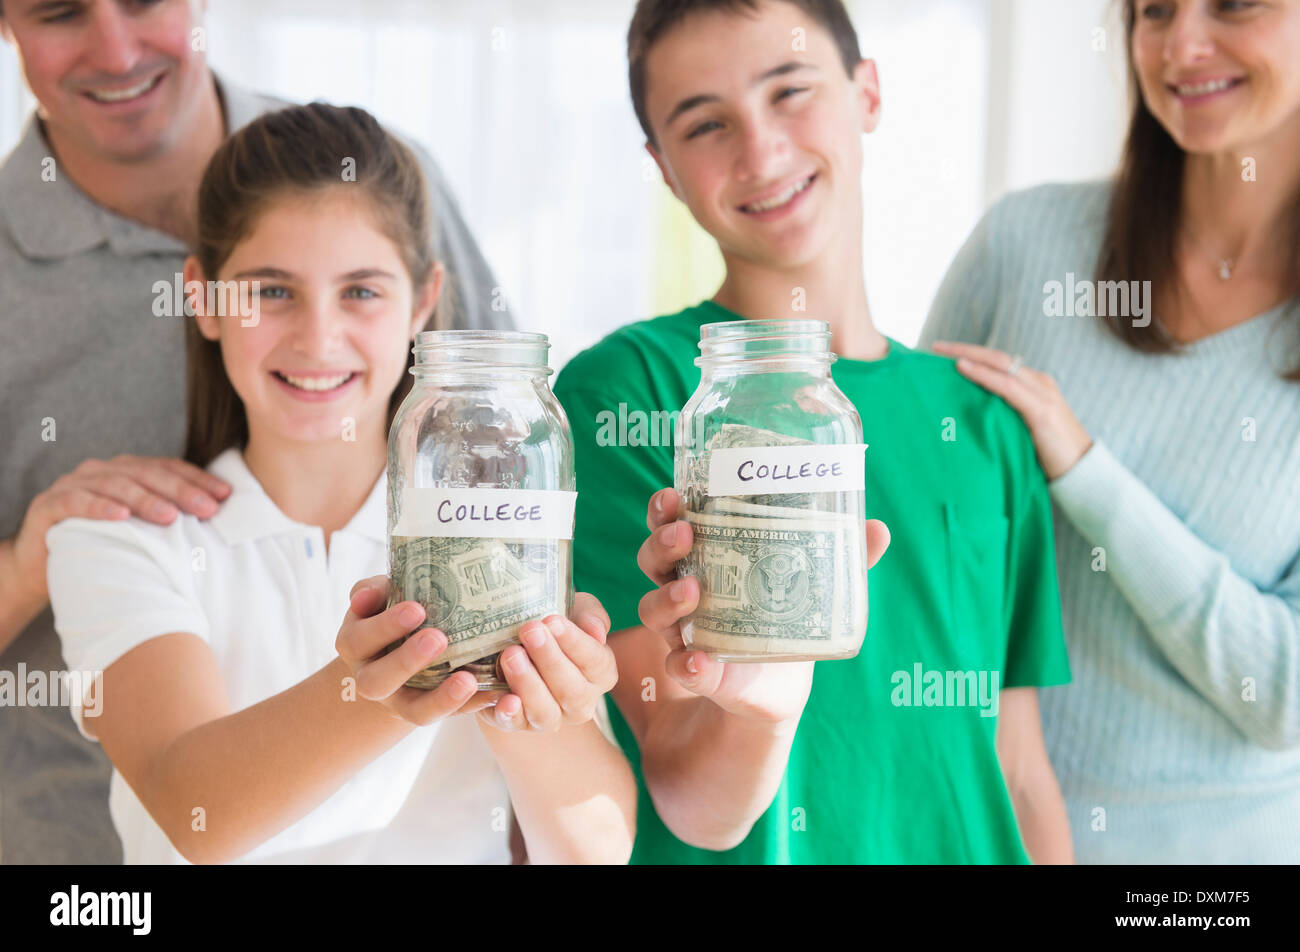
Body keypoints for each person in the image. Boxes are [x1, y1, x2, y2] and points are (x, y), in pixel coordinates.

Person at [45, 102, 635, 865]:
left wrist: (539, 705)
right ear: (203, 299)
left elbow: (596, 851)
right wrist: (384, 687)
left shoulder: (509, 535)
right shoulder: (117, 543)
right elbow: (195, 814)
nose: (318, 338)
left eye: (361, 291)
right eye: (271, 291)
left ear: (424, 301)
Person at [553, 0, 1073, 864]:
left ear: (867, 92)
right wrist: (763, 697)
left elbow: (1017, 767)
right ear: (664, 169)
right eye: (706, 123)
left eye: (790, 92)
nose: (761, 152)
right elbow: (678, 776)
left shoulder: (984, 422)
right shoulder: (632, 394)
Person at [0, 0, 510, 863]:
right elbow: (196, 805)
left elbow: (499, 450)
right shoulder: (108, 542)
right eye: (59, 12)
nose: (115, 49)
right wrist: (27, 560)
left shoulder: (370, 171)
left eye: (142, 2)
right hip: (80, 855)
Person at [920, 0, 1300, 863]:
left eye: (1234, 3)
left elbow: (1285, 694)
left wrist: (1085, 471)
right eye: (1154, 10)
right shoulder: (1023, 248)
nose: (1181, 44)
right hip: (984, 831)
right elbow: (909, 529)